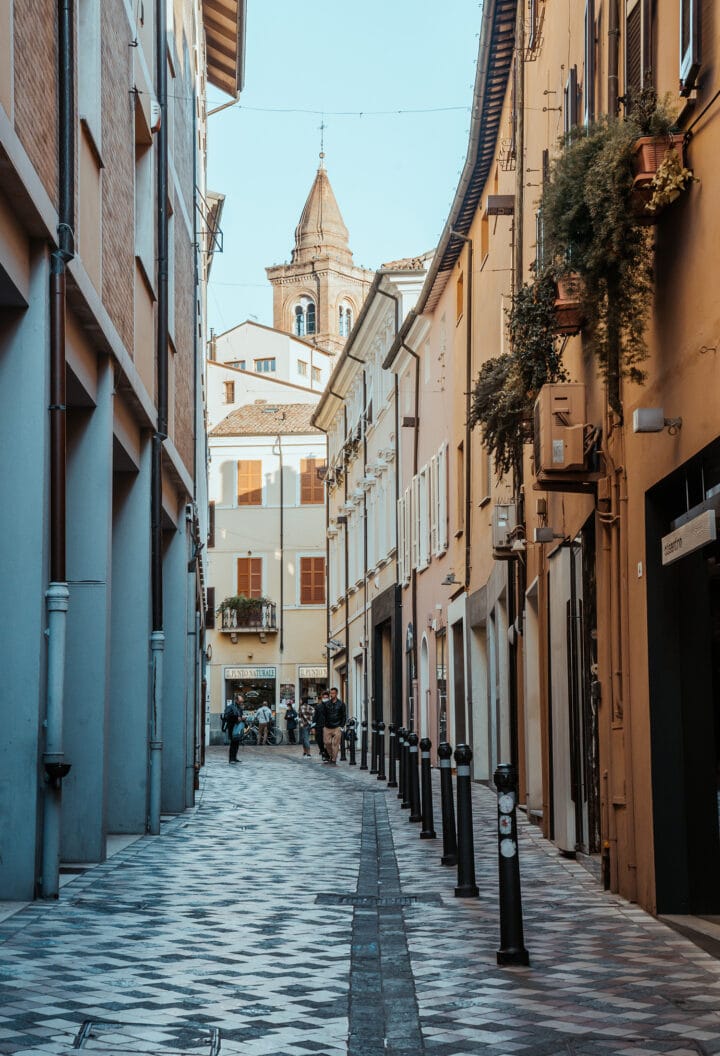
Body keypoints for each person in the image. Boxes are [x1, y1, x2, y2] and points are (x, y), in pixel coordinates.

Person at [323, 687, 347, 765]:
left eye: (333, 693)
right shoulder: (326, 704)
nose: (331, 695)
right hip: (327, 726)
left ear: (336, 694)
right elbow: (324, 715)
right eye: (331, 693)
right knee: (327, 742)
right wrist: (324, 725)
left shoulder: (341, 704)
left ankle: (333, 760)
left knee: (336, 743)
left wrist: (342, 726)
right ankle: (331, 756)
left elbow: (344, 715)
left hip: (337, 726)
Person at [222, 695, 245, 764]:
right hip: (232, 727)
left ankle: (234, 757)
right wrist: (236, 718)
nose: (241, 703)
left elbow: (240, 715)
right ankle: (231, 759)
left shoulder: (239, 707)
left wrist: (242, 718)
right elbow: (227, 716)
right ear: (236, 700)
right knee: (233, 743)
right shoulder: (230, 707)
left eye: (242, 702)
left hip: (238, 727)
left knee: (237, 743)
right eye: (240, 701)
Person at [314, 693, 329, 760]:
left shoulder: (331, 706)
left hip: (328, 726)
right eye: (324, 697)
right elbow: (315, 717)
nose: (325, 698)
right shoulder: (318, 706)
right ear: (322, 698)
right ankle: (322, 751)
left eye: (326, 697)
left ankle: (327, 754)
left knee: (327, 741)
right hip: (319, 726)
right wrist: (313, 727)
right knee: (319, 740)